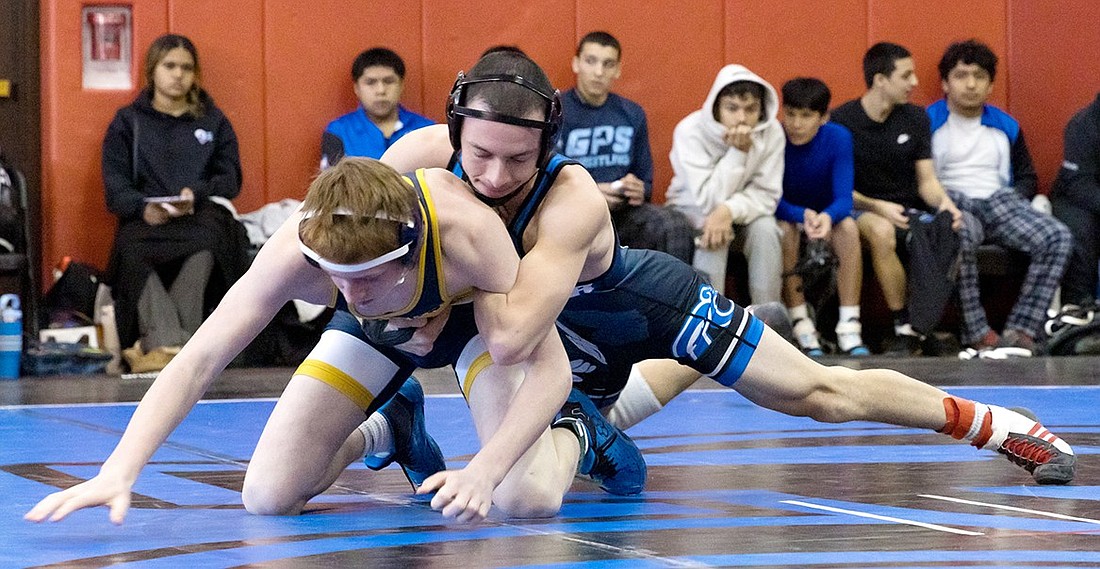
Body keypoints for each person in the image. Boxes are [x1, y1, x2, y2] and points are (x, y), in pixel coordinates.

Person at [379, 52, 1076, 497]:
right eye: (482, 156)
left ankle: (994, 423)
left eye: (517, 159)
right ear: (457, 133)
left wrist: (441, 297)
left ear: (543, 145)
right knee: (536, 474)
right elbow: (343, 239)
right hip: (557, 341)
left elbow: (508, 330)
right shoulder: (418, 161)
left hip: (634, 304)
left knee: (820, 393)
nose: (496, 175)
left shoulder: (570, 196)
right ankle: (590, 423)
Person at [25, 157, 644, 526]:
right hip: (381, 338)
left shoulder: (469, 234)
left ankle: (580, 432)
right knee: (267, 497)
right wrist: (120, 468)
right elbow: (200, 358)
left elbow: (552, 372)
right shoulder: (297, 251)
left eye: (370, 278)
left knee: (526, 500)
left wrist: (482, 470)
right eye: (334, 279)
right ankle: (388, 430)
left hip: (470, 326)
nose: (351, 294)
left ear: (411, 250)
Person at [101, 33, 249, 372]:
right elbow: (115, 186)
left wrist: (195, 194)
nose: (178, 74)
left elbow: (231, 180)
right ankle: (180, 343)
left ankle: (166, 345)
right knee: (130, 249)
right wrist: (142, 207)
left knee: (212, 242)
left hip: (199, 219)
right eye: (170, 66)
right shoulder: (128, 122)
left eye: (186, 67)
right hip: (146, 221)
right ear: (153, 70)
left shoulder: (213, 121)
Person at [928, 39, 1072, 356]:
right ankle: (978, 333)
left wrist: (1013, 199)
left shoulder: (1006, 126)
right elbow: (920, 182)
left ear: (991, 84)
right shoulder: (928, 123)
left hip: (998, 200)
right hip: (952, 201)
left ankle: (1022, 330)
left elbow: (1027, 177)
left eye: (979, 76)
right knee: (960, 234)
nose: (970, 84)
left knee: (1057, 236)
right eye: (961, 75)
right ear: (945, 83)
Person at [831, 42, 963, 354]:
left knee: (951, 230)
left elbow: (927, 181)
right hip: (856, 208)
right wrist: (877, 206)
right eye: (906, 76)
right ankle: (904, 327)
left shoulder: (916, 118)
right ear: (880, 80)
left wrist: (947, 206)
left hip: (907, 211)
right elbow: (837, 188)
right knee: (881, 231)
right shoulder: (841, 122)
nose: (914, 83)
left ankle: (927, 327)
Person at [558, 31, 694, 263]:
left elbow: (646, 182)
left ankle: (678, 299)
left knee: (674, 224)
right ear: (576, 63)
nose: (599, 72)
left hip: (622, 214)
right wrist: (590, 193)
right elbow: (543, 179)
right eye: (591, 61)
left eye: (608, 64)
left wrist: (639, 189)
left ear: (618, 69)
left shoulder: (632, 113)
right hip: (571, 211)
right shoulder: (556, 110)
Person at [664, 64, 785, 302]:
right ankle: (710, 325)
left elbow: (767, 195)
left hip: (744, 214)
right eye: (732, 108)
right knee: (715, 235)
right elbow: (708, 199)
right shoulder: (690, 131)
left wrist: (728, 210)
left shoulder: (772, 133)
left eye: (751, 109)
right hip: (690, 210)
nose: (742, 118)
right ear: (716, 107)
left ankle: (769, 321)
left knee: (766, 230)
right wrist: (739, 152)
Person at [777, 78, 869, 356]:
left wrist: (828, 217)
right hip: (788, 214)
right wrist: (799, 214)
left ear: (824, 117)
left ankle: (849, 325)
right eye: (790, 114)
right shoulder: (775, 138)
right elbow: (769, 197)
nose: (796, 124)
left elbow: (843, 196)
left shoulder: (839, 137)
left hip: (826, 214)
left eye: (806, 116)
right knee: (786, 229)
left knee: (849, 227)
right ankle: (800, 322)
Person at [320, 47, 434, 167]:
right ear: (356, 88)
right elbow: (335, 183)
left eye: (389, 81)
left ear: (401, 85)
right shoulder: (339, 132)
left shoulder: (427, 130)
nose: (381, 90)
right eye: (370, 82)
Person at [1052, 92, 1100, 311]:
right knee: (1081, 227)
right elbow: (1078, 184)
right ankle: (1078, 313)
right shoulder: (1084, 124)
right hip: (1077, 199)